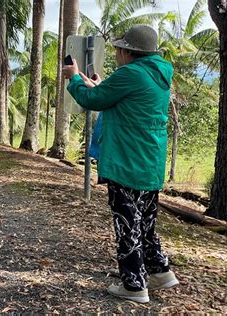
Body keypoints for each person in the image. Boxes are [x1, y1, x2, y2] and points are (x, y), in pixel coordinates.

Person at [62, 25, 179, 303]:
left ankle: (135, 285)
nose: (115, 53)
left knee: (127, 224)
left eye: (118, 49)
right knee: (145, 223)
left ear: (128, 52)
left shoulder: (130, 73)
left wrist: (74, 79)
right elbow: (123, 101)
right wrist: (100, 85)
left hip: (127, 161)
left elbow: (92, 100)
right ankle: (160, 272)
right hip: (149, 161)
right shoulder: (158, 73)